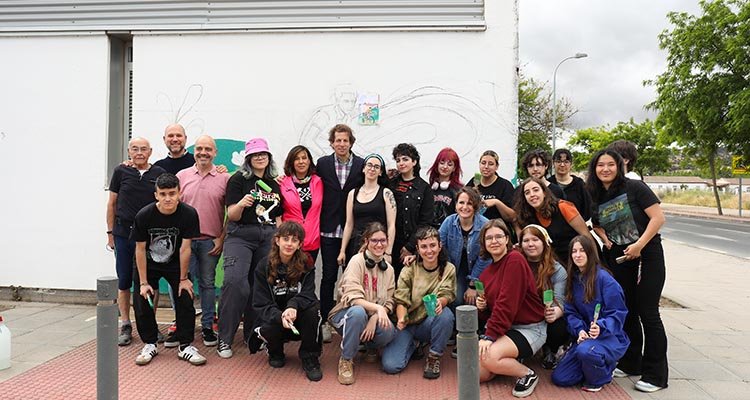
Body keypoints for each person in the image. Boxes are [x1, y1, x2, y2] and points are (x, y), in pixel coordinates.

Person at [586, 149, 668, 392]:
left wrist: (639, 245)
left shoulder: (635, 188)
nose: (606, 169)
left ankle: (656, 375)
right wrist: (606, 240)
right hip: (620, 258)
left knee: (648, 312)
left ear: (619, 166)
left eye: (611, 164)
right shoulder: (597, 195)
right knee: (627, 310)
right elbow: (596, 223)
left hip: (646, 255)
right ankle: (632, 362)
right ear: (595, 169)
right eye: (600, 165)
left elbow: (658, 218)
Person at [217, 137, 283, 359]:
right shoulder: (238, 180)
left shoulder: (274, 184)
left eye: (263, 154)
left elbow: (278, 215)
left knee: (260, 286)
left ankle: (251, 335)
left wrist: (280, 239)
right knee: (235, 283)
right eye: (255, 155)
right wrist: (242, 204)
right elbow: (232, 215)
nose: (260, 157)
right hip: (240, 235)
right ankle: (225, 338)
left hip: (267, 236)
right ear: (248, 158)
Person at [131, 173, 206, 366]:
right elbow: (139, 249)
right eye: (163, 194)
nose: (167, 198)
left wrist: (183, 278)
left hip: (175, 263)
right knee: (142, 299)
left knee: (185, 296)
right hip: (149, 263)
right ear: (156, 195)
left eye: (172, 193)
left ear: (179, 193)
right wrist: (143, 282)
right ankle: (149, 343)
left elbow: (185, 248)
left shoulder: (189, 214)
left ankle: (185, 346)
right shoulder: (144, 215)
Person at [106, 137, 166, 346]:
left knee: (150, 281)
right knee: (124, 281)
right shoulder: (121, 171)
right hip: (123, 235)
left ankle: (151, 324)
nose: (139, 153)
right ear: (129, 151)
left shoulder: (158, 173)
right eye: (135, 149)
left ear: (150, 151)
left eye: (143, 149)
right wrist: (110, 233)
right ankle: (125, 324)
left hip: (150, 238)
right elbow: (112, 203)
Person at [476, 219, 546, 398]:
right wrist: (482, 307)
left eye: (499, 236)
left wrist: (489, 336)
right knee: (479, 374)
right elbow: (492, 310)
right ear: (484, 243)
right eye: (489, 238)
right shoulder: (486, 273)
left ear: (507, 238)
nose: (494, 241)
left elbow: (507, 303)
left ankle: (527, 374)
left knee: (489, 356)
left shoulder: (515, 259)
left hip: (530, 328)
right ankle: (505, 358)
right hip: (507, 328)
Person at [247, 221, 323, 381]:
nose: (289, 244)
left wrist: (293, 306)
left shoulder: (306, 263)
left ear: (300, 244)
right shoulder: (264, 266)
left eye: (294, 240)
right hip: (276, 318)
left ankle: (310, 356)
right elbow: (260, 303)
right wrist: (279, 316)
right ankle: (275, 350)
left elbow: (308, 294)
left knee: (314, 309)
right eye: (286, 239)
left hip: (297, 317)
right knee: (267, 324)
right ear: (277, 240)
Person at [552, 235, 629, 392]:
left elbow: (618, 313)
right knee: (561, 378)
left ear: (591, 253)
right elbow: (571, 312)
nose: (578, 255)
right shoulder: (573, 279)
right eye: (574, 251)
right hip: (585, 337)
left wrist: (601, 326)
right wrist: (579, 330)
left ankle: (603, 373)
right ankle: (591, 363)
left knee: (585, 352)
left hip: (609, 336)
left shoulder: (605, 279)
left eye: (582, 251)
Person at [175, 135, 229, 347]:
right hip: (185, 243)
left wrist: (222, 238)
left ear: (215, 153)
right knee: (182, 284)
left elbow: (229, 212)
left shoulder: (224, 178)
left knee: (207, 285)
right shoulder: (182, 175)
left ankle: (207, 326)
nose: (203, 152)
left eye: (208, 149)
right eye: (199, 148)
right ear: (194, 151)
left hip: (210, 242)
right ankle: (182, 326)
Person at [382, 226, 456, 379]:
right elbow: (401, 299)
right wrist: (402, 318)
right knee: (391, 365)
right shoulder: (409, 268)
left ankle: (434, 356)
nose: (429, 251)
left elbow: (448, 294)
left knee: (446, 316)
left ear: (440, 246)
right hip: (408, 323)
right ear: (417, 249)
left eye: (433, 245)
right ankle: (414, 344)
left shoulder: (448, 269)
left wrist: (440, 303)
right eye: (424, 246)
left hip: (428, 322)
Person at [329, 222, 397, 385]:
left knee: (389, 330)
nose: (379, 244)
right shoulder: (356, 261)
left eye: (383, 240)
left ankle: (370, 345)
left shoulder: (389, 269)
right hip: (346, 314)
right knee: (358, 312)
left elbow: (390, 300)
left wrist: (374, 318)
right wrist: (377, 308)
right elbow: (353, 298)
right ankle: (346, 360)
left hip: (370, 317)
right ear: (366, 241)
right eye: (374, 240)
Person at [317, 124, 365, 342]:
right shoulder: (323, 164)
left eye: (345, 140)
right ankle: (325, 321)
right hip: (328, 229)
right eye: (338, 140)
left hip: (353, 232)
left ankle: (348, 321)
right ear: (332, 142)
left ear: (351, 142)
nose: (342, 144)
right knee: (328, 277)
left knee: (351, 279)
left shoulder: (362, 165)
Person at [518, 224, 568, 369]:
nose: (531, 244)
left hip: (544, 314)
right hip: (523, 313)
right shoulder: (516, 264)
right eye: (526, 240)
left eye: (535, 239)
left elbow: (560, 301)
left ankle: (551, 349)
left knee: (558, 327)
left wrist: (555, 312)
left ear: (545, 242)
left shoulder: (557, 269)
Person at [514, 177, 592, 262]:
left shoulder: (563, 207)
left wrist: (594, 263)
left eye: (536, 190)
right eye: (527, 193)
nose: (532, 194)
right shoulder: (529, 217)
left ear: (544, 193)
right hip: (554, 264)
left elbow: (586, 236)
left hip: (577, 259)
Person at [338, 154, 397, 266]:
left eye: (376, 167)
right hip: (355, 246)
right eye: (369, 165)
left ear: (380, 172)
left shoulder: (387, 193)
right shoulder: (352, 194)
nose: (372, 169)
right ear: (363, 168)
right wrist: (342, 251)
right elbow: (349, 224)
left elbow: (391, 225)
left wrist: (388, 252)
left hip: (377, 246)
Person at [438, 187, 490, 307]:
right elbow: (439, 246)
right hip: (456, 269)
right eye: (461, 202)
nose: (464, 207)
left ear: (476, 207)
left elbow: (485, 257)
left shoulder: (485, 225)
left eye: (470, 204)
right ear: (456, 205)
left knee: (478, 299)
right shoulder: (449, 222)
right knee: (457, 300)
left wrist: (473, 285)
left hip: (480, 270)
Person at [388, 143, 434, 278]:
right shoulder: (391, 184)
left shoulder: (424, 188)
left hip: (413, 245)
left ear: (414, 161)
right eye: (398, 160)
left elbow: (426, 222)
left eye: (405, 159)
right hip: (390, 243)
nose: (401, 163)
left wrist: (409, 246)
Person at [279, 145, 323, 263]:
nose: (301, 162)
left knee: (307, 278)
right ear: (291, 162)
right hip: (290, 241)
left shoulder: (319, 182)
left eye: (304, 158)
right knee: (288, 277)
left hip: (312, 240)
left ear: (309, 161)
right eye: (297, 159)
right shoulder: (282, 183)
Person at [466, 150, 517, 234]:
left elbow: (512, 217)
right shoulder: (474, 181)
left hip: (498, 231)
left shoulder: (505, 185)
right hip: (476, 231)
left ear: (497, 167)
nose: (486, 167)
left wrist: (496, 202)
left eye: (491, 164)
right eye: (483, 163)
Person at [548, 149, 592, 221]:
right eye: (558, 161)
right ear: (553, 163)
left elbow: (587, 209)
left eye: (566, 162)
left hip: (577, 229)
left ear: (571, 164)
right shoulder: (548, 184)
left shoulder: (580, 184)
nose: (562, 165)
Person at [427, 147, 463, 228]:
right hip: (431, 232)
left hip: (450, 231)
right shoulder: (429, 188)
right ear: (437, 165)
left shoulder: (458, 190)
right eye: (442, 163)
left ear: (454, 168)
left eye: (449, 164)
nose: (445, 167)